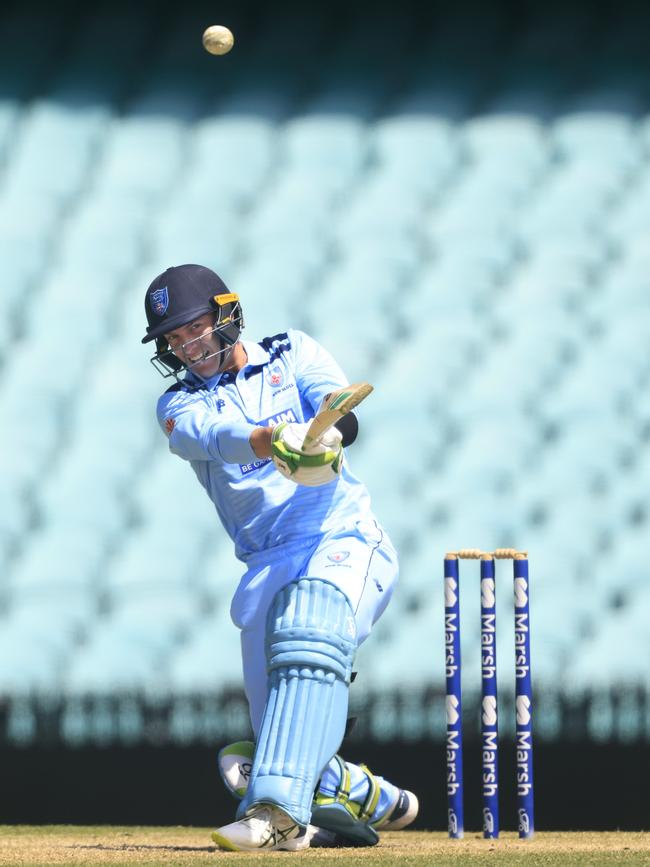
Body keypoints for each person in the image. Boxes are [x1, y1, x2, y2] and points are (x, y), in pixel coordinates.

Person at [141, 263, 418, 851]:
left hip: (342, 536)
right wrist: (275, 440)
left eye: (195, 329)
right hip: (266, 564)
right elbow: (215, 439)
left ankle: (272, 815)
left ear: (225, 315)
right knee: (285, 736)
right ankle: (361, 793)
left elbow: (338, 410)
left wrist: (325, 435)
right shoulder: (176, 404)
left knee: (309, 625)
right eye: (173, 339)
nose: (187, 347)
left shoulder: (292, 352)